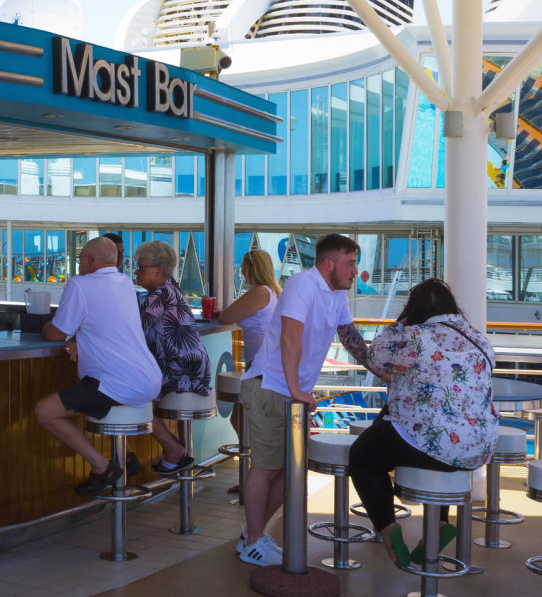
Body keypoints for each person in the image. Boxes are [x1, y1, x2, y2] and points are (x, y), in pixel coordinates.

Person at [236, 233, 369, 566]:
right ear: (328, 264)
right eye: (350, 264)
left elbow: (349, 336)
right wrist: (296, 388)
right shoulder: (302, 285)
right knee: (265, 467)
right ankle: (253, 541)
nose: (355, 271)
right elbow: (290, 337)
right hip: (269, 386)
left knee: (291, 471)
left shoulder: (337, 293)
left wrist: (380, 367)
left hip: (292, 394)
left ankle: (252, 534)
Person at [349, 278, 498, 568]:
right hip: (479, 448)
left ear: (413, 309)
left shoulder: (416, 336)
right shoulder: (480, 340)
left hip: (437, 445)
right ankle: (440, 523)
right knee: (434, 435)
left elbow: (375, 358)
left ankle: (388, 529)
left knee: (363, 456)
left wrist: (398, 324)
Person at [36, 237, 162, 496]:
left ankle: (102, 467)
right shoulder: (125, 283)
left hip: (118, 382)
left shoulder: (80, 284)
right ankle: (126, 455)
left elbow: (57, 333)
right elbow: (105, 323)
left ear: (90, 261)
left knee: (45, 411)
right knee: (93, 393)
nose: (79, 264)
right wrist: (78, 339)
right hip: (149, 379)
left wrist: (46, 327)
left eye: (80, 259)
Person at [132, 240, 211, 474]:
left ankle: (172, 448)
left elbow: (133, 331)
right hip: (192, 369)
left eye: (140, 267)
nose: (136, 272)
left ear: (158, 271)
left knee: (129, 394)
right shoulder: (171, 290)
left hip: (181, 371)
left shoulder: (159, 295)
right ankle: (175, 446)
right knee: (137, 391)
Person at [217, 249, 282, 492]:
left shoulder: (259, 292)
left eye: (243, 267)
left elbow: (226, 317)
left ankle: (259, 477)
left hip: (261, 367)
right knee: (242, 419)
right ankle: (254, 476)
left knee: (250, 423)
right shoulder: (273, 291)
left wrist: (220, 312)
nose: (241, 272)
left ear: (251, 268)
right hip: (264, 365)